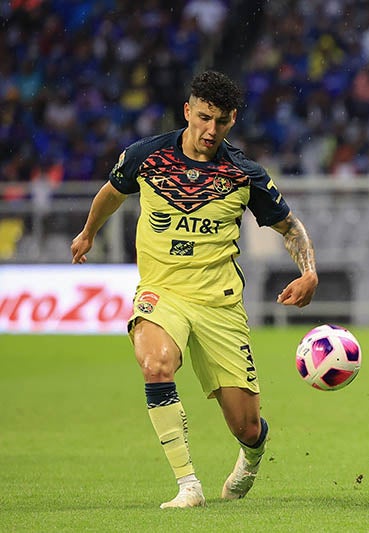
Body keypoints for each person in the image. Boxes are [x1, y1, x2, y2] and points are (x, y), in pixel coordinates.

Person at [71, 70, 318, 508]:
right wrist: (89, 232)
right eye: (203, 117)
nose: (210, 130)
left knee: (246, 425)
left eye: (221, 121)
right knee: (156, 363)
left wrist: (309, 271)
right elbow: (112, 192)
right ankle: (189, 485)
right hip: (162, 293)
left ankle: (252, 455)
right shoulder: (146, 157)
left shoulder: (244, 174)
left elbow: (289, 226)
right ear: (188, 110)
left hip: (220, 304)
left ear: (233, 120)